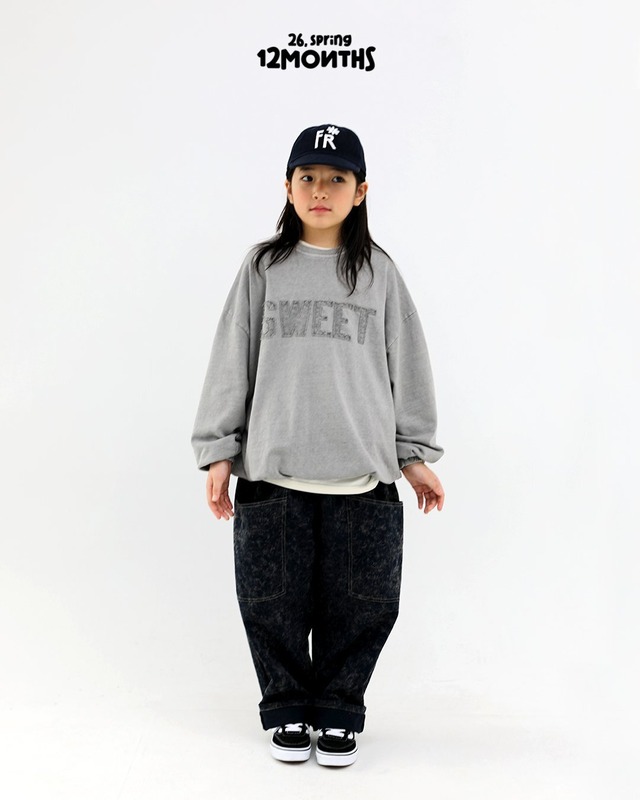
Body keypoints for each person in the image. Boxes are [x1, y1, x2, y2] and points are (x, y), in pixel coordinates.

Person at [191, 123, 445, 767]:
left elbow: (408, 363)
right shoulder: (264, 268)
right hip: (273, 475)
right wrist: (220, 450)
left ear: (361, 192)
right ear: (288, 187)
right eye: (308, 177)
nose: (321, 190)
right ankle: (285, 706)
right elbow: (232, 359)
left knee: (362, 605)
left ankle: (337, 710)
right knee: (270, 603)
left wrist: (413, 454)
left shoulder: (378, 272)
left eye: (336, 179)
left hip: (362, 476)